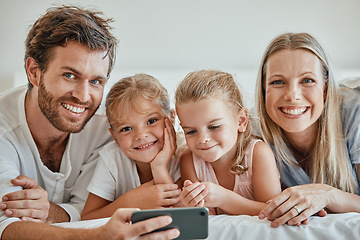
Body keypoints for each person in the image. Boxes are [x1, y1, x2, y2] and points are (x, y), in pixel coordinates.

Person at [0, 6, 179, 239]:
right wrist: (97, 236)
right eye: (70, 75)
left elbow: (85, 209)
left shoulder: (111, 126)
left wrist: (50, 212)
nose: (83, 97)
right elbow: (7, 226)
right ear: (34, 72)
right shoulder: (4, 131)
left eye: (95, 81)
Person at [255, 32, 360, 228]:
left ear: (326, 89)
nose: (292, 95)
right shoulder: (252, 132)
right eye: (277, 82)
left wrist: (329, 195)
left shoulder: (354, 113)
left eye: (307, 80)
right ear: (263, 90)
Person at [175, 70, 281, 215]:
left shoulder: (258, 154)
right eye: (191, 131)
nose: (202, 139)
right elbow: (207, 219)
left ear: (241, 120)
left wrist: (224, 199)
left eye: (214, 127)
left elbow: (274, 212)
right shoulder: (189, 161)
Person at [81, 74, 183, 220]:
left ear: (171, 118)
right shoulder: (112, 158)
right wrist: (130, 202)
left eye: (151, 120)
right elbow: (87, 218)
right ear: (114, 136)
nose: (141, 135)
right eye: (126, 128)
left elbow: (180, 216)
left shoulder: (184, 153)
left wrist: (159, 168)